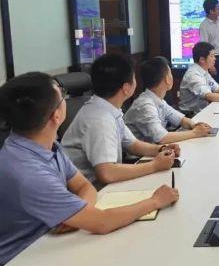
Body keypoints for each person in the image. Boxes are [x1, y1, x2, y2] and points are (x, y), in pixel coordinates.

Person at [0, 72, 179, 266]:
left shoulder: (45, 145)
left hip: (50, 243)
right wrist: (155, 201)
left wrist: (77, 212)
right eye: (62, 96)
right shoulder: (30, 173)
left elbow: (84, 186)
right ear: (56, 116)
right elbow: (102, 222)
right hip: (20, 263)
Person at [62, 54, 180, 186]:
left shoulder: (107, 108)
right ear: (126, 88)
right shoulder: (100, 120)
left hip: (102, 184)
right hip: (93, 190)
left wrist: (161, 149)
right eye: (133, 77)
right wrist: (154, 165)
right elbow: (107, 173)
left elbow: (133, 144)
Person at [124, 56, 213, 143]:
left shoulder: (157, 99)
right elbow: (162, 137)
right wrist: (195, 133)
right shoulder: (145, 105)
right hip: (143, 152)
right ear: (167, 79)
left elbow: (180, 118)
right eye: (170, 73)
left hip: (154, 148)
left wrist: (195, 125)